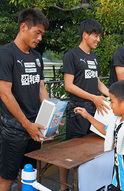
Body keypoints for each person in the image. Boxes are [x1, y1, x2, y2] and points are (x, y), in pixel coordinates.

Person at [74, 80, 124, 191]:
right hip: (117, 180)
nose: (110, 105)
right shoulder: (119, 121)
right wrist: (88, 116)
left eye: (112, 102)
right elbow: (106, 131)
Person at [0, 8, 49, 191]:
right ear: (23, 27)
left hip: (34, 128)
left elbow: (41, 88)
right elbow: (5, 93)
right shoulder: (6, 54)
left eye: (42, 34)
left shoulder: (37, 57)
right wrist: (26, 124)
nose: (40, 38)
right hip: (13, 130)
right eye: (37, 32)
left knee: (28, 174)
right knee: (6, 177)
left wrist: (51, 116)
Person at [60, 19, 110, 191]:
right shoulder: (71, 55)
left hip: (94, 109)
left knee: (90, 149)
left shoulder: (94, 57)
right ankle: (63, 187)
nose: (98, 39)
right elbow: (69, 85)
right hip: (77, 109)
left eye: (99, 36)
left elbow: (97, 82)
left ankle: (83, 185)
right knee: (70, 151)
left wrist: (111, 96)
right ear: (85, 34)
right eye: (96, 36)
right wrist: (93, 97)